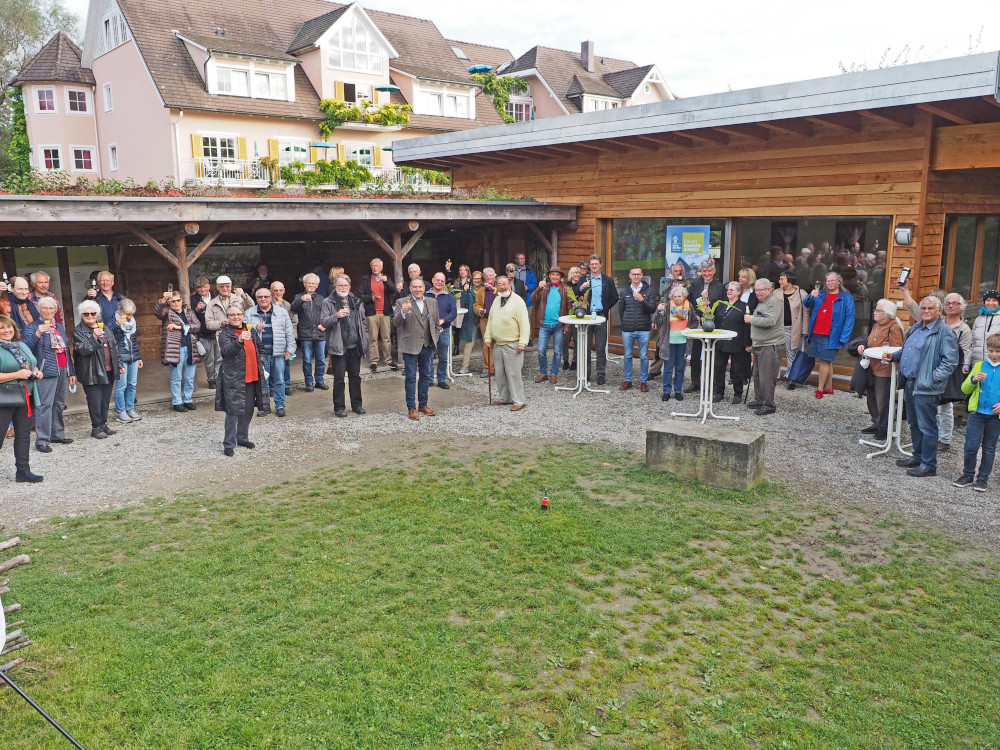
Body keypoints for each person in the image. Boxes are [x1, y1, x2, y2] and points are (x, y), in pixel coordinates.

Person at [884, 296, 959, 477]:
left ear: (939, 311)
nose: (926, 311)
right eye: (923, 308)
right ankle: (917, 457)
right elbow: (909, 349)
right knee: (914, 423)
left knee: (927, 426)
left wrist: (932, 379)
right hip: (909, 383)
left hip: (926, 387)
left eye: (930, 308)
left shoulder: (944, 332)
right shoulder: (917, 327)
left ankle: (928, 465)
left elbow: (950, 362)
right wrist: (894, 356)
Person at [216, 304, 269, 456]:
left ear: (243, 315)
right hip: (234, 379)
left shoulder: (250, 330)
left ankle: (242, 438)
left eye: (238, 314)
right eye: (232, 315)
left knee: (248, 411)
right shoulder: (225, 334)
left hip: (252, 377)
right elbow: (226, 352)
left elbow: (261, 349)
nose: (236, 317)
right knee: (233, 412)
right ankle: (229, 444)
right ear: (228, 317)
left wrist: (261, 362)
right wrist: (238, 341)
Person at [23, 297, 75, 453]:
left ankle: (57, 435)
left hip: (62, 369)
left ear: (55, 310)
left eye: (51, 308)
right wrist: (38, 333)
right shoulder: (32, 327)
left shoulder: (58, 326)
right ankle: (42, 440)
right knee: (44, 405)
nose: (48, 311)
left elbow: (65, 351)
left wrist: (71, 371)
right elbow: (25, 349)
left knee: (59, 404)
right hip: (45, 371)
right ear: (39, 310)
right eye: (44, 308)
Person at [0, 315, 44, 482]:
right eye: (1, 328)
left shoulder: (21, 345)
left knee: (23, 435)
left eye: (9, 327)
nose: (7, 330)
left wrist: (36, 371)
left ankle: (23, 472)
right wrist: (16, 375)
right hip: (3, 398)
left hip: (25, 395)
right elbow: (17, 372)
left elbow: (31, 363)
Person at [955, 333, 1000, 491]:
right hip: (977, 414)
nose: (994, 354)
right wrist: (973, 379)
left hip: (995, 417)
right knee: (971, 446)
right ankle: (968, 475)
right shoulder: (980, 365)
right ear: (987, 350)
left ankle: (982, 479)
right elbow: (964, 389)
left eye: (998, 351)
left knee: (989, 448)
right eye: (991, 351)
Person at [73, 299, 124, 439]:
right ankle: (96, 427)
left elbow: (114, 347)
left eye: (93, 313)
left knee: (105, 400)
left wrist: (119, 364)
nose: (90, 316)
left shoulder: (104, 327)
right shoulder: (78, 331)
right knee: (95, 401)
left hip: (108, 369)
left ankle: (103, 424)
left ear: (97, 314)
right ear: (82, 315)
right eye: (86, 314)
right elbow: (83, 350)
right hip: (91, 371)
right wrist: (94, 337)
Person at [321, 274, 369, 417]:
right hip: (339, 347)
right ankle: (339, 407)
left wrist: (364, 337)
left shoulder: (356, 301)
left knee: (355, 377)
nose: (343, 288)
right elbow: (323, 322)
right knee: (339, 379)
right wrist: (336, 316)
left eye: (345, 285)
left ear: (349, 286)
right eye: (340, 285)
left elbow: (363, 321)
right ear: (335, 287)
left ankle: (357, 405)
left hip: (355, 345)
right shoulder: (328, 302)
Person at [856, 299, 904, 441]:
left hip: (885, 370)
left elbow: (897, 350)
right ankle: (876, 423)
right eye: (875, 309)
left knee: (883, 400)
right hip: (871, 366)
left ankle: (884, 428)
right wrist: (862, 346)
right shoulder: (876, 325)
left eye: (878, 310)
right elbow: (869, 341)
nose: (874, 312)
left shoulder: (894, 327)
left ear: (888, 314)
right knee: (871, 397)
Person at [245, 286, 296, 417]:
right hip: (259, 354)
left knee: (279, 380)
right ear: (256, 298)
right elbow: (244, 332)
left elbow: (289, 332)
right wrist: (254, 328)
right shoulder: (249, 313)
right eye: (260, 297)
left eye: (266, 296)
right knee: (263, 382)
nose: (263, 299)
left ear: (271, 298)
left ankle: (280, 406)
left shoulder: (281, 312)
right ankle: (265, 407)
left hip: (278, 352)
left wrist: (290, 350)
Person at [803, 272, 855, 398]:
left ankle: (820, 389)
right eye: (828, 281)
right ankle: (828, 387)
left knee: (824, 362)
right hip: (817, 332)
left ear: (839, 282)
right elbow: (807, 304)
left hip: (831, 335)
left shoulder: (846, 298)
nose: (830, 283)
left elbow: (850, 318)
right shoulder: (820, 294)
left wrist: (844, 337)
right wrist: (810, 296)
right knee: (827, 361)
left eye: (833, 280)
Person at [393, 278, 439, 420]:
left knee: (425, 376)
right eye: (415, 287)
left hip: (427, 345)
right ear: (410, 288)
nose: (418, 289)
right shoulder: (402, 302)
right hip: (410, 346)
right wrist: (402, 313)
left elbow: (436, 324)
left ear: (424, 288)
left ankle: (423, 405)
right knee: (411, 378)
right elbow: (396, 323)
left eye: (420, 287)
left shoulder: (432, 302)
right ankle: (411, 407)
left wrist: (434, 338)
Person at [484, 275, 530, 411]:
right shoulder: (497, 300)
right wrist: (488, 337)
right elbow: (491, 320)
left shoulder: (518, 301)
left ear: (509, 285)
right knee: (500, 374)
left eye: (504, 284)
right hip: (498, 343)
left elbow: (524, 323)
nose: (502, 287)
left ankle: (519, 401)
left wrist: (523, 342)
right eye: (499, 284)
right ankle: (505, 398)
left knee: (513, 374)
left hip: (513, 344)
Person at [573, 254, 619, 385]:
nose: (594, 266)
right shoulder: (584, 279)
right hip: (586, 317)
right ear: (590, 266)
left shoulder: (607, 280)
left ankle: (600, 373)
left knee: (600, 347)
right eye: (592, 264)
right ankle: (586, 373)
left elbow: (615, 297)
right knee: (586, 346)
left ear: (600, 265)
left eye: (596, 264)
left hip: (600, 316)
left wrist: (605, 308)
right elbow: (575, 294)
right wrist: (581, 288)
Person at [154, 290, 202, 412]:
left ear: (182, 300)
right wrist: (163, 300)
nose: (176, 303)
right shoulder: (167, 313)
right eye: (173, 301)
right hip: (175, 349)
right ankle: (177, 402)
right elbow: (158, 312)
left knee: (190, 377)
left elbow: (197, 326)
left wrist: (179, 327)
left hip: (190, 348)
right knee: (176, 377)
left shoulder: (189, 312)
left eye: (178, 300)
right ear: (169, 303)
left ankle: (188, 400)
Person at [938, 293, 973, 452]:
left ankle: (944, 440)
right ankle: (932, 436)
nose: (951, 306)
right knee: (931, 405)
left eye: (955, 303)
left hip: (950, 371)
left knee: (945, 407)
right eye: (948, 303)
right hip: (933, 368)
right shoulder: (938, 323)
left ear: (962, 307)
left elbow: (964, 353)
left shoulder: (964, 329)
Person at [684, 260, 726, 393]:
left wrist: (712, 316)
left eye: (709, 271)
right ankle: (695, 382)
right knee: (695, 355)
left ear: (714, 271)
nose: (706, 273)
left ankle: (713, 384)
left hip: (714, 324)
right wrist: (695, 315)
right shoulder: (695, 285)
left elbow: (723, 305)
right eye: (704, 271)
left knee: (713, 356)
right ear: (701, 272)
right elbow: (687, 301)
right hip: (698, 324)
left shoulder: (720, 287)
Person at [745, 279, 784, 415]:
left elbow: (770, 321)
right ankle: (760, 400)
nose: (758, 293)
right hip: (760, 344)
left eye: (761, 290)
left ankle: (769, 405)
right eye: (756, 290)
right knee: (757, 375)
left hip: (770, 345)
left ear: (769, 289)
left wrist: (752, 319)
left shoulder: (774, 301)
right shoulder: (762, 302)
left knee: (767, 377)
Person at [617, 266, 657, 392]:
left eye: (638, 274)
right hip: (628, 329)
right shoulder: (624, 291)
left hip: (643, 329)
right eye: (633, 274)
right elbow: (621, 310)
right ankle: (628, 380)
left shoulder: (649, 290)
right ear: (630, 276)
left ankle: (643, 382)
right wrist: (625, 323)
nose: (636, 276)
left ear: (642, 275)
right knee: (628, 355)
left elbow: (652, 308)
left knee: (644, 356)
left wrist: (642, 300)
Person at [204, 275, 249, 381]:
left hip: (239, 333)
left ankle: (241, 380)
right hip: (221, 335)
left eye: (227, 286)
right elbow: (208, 323)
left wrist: (244, 295)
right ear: (217, 287)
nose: (225, 288)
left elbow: (251, 307)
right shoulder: (212, 303)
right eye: (222, 286)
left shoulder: (239, 298)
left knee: (241, 357)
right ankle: (221, 382)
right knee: (221, 360)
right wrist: (221, 323)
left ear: (231, 286)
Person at [652, 285, 693, 401]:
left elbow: (694, 321)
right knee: (668, 368)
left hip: (683, 342)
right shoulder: (667, 306)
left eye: (679, 296)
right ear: (672, 297)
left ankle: (678, 391)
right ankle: (666, 391)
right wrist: (658, 310)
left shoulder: (689, 306)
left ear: (684, 296)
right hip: (669, 342)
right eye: (675, 296)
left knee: (680, 368)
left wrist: (690, 327)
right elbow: (656, 321)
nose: (677, 298)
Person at [712, 281, 751, 404]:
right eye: (728, 290)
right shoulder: (720, 305)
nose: (728, 291)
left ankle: (738, 393)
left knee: (737, 370)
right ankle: (719, 392)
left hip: (737, 342)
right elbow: (715, 321)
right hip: (721, 341)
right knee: (719, 368)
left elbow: (747, 326)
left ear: (738, 292)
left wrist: (748, 343)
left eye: (731, 290)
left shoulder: (744, 306)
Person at [290, 272, 328, 391]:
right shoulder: (298, 297)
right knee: (307, 360)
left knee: (321, 359)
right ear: (304, 284)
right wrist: (301, 300)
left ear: (317, 285)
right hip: (305, 333)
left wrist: (325, 324)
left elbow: (327, 314)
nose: (311, 285)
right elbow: (293, 309)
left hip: (320, 333)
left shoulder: (321, 298)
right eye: (308, 283)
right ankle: (309, 382)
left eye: (313, 283)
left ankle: (320, 380)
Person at [358, 258, 397, 373]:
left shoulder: (386, 278)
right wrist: (371, 298)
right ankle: (373, 362)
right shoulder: (366, 279)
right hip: (372, 312)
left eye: (377, 266)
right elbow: (360, 294)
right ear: (371, 267)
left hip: (385, 312)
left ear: (381, 268)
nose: (375, 268)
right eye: (373, 266)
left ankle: (388, 360)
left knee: (386, 338)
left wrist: (387, 281)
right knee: (373, 338)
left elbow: (393, 290)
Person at [531, 266, 569, 384]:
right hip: (544, 324)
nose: (555, 277)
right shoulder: (544, 288)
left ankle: (553, 374)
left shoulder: (565, 289)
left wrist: (567, 325)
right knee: (541, 350)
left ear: (560, 277)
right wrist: (538, 288)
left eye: (557, 275)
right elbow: (533, 299)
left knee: (557, 351)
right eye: (553, 274)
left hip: (559, 325)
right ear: (549, 276)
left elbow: (569, 309)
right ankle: (543, 373)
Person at [777, 270, 810, 389]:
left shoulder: (801, 293)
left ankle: (792, 379)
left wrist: (805, 330)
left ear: (790, 280)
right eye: (780, 278)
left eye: (782, 279)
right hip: (777, 329)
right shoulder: (776, 293)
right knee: (775, 353)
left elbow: (805, 313)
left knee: (792, 354)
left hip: (793, 329)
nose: (779, 281)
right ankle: (773, 377)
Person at [112, 298, 143, 422]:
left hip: (133, 356)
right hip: (120, 358)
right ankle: (121, 411)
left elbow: (134, 341)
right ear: (119, 310)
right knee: (121, 386)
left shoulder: (133, 322)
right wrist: (116, 325)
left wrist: (139, 357)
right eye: (127, 314)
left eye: (131, 314)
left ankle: (130, 408)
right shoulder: (112, 322)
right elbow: (109, 339)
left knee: (132, 384)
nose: (129, 317)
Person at [427, 272, 457, 389]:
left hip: (444, 330)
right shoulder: (426, 295)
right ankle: (429, 379)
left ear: (444, 282)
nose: (439, 282)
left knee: (443, 357)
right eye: (437, 280)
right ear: (433, 280)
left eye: (442, 281)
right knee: (428, 356)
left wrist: (443, 320)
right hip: (428, 330)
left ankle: (441, 379)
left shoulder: (449, 296)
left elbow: (453, 312)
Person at [270, 281, 295, 397]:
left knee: (287, 363)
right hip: (274, 338)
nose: (278, 293)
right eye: (275, 290)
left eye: (280, 290)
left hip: (286, 338)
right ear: (271, 291)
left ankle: (286, 386)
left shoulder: (288, 304)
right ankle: (272, 387)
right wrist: (274, 308)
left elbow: (293, 321)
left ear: (284, 291)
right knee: (272, 364)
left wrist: (294, 335)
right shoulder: (267, 303)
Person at [191, 276, 216, 387]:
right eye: (199, 288)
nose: (202, 289)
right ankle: (212, 380)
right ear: (196, 289)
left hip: (217, 331)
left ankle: (219, 379)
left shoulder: (215, 297)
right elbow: (190, 316)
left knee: (219, 358)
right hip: (204, 333)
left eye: (204, 287)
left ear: (209, 286)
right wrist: (196, 309)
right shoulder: (193, 299)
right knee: (209, 359)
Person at [474, 267, 499, 378]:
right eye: (486, 276)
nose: (488, 277)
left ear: (495, 276)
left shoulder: (499, 287)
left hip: (499, 320)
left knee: (500, 343)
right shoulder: (481, 290)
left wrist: (494, 289)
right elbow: (476, 304)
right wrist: (480, 310)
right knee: (487, 344)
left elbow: (506, 295)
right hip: (485, 319)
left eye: (490, 275)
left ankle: (501, 368)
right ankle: (489, 368)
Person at [84, 270, 124, 336]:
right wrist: (88, 297)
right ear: (98, 283)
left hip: (120, 335)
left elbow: (129, 315)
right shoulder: (94, 298)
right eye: (102, 280)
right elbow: (84, 309)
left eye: (107, 280)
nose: (105, 283)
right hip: (102, 335)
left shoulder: (121, 298)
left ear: (112, 282)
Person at [456, 270, 480, 374]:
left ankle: (487, 367)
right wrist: (465, 292)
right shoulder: (469, 289)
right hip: (472, 318)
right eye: (475, 278)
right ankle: (465, 366)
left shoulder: (485, 288)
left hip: (484, 318)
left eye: (479, 278)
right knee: (469, 343)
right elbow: (462, 302)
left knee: (486, 343)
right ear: (472, 279)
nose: (477, 280)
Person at [970, 289, 1000, 367]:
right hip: (977, 364)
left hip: (996, 365)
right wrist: (967, 363)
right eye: (988, 300)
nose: (991, 303)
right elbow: (972, 344)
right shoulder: (978, 319)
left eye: (994, 300)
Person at [562, 266, 582, 371]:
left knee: (577, 340)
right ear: (571, 274)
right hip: (568, 316)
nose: (577, 275)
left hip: (578, 316)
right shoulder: (565, 285)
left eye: (579, 273)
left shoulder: (582, 286)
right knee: (565, 340)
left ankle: (574, 361)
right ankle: (565, 360)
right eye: (575, 273)